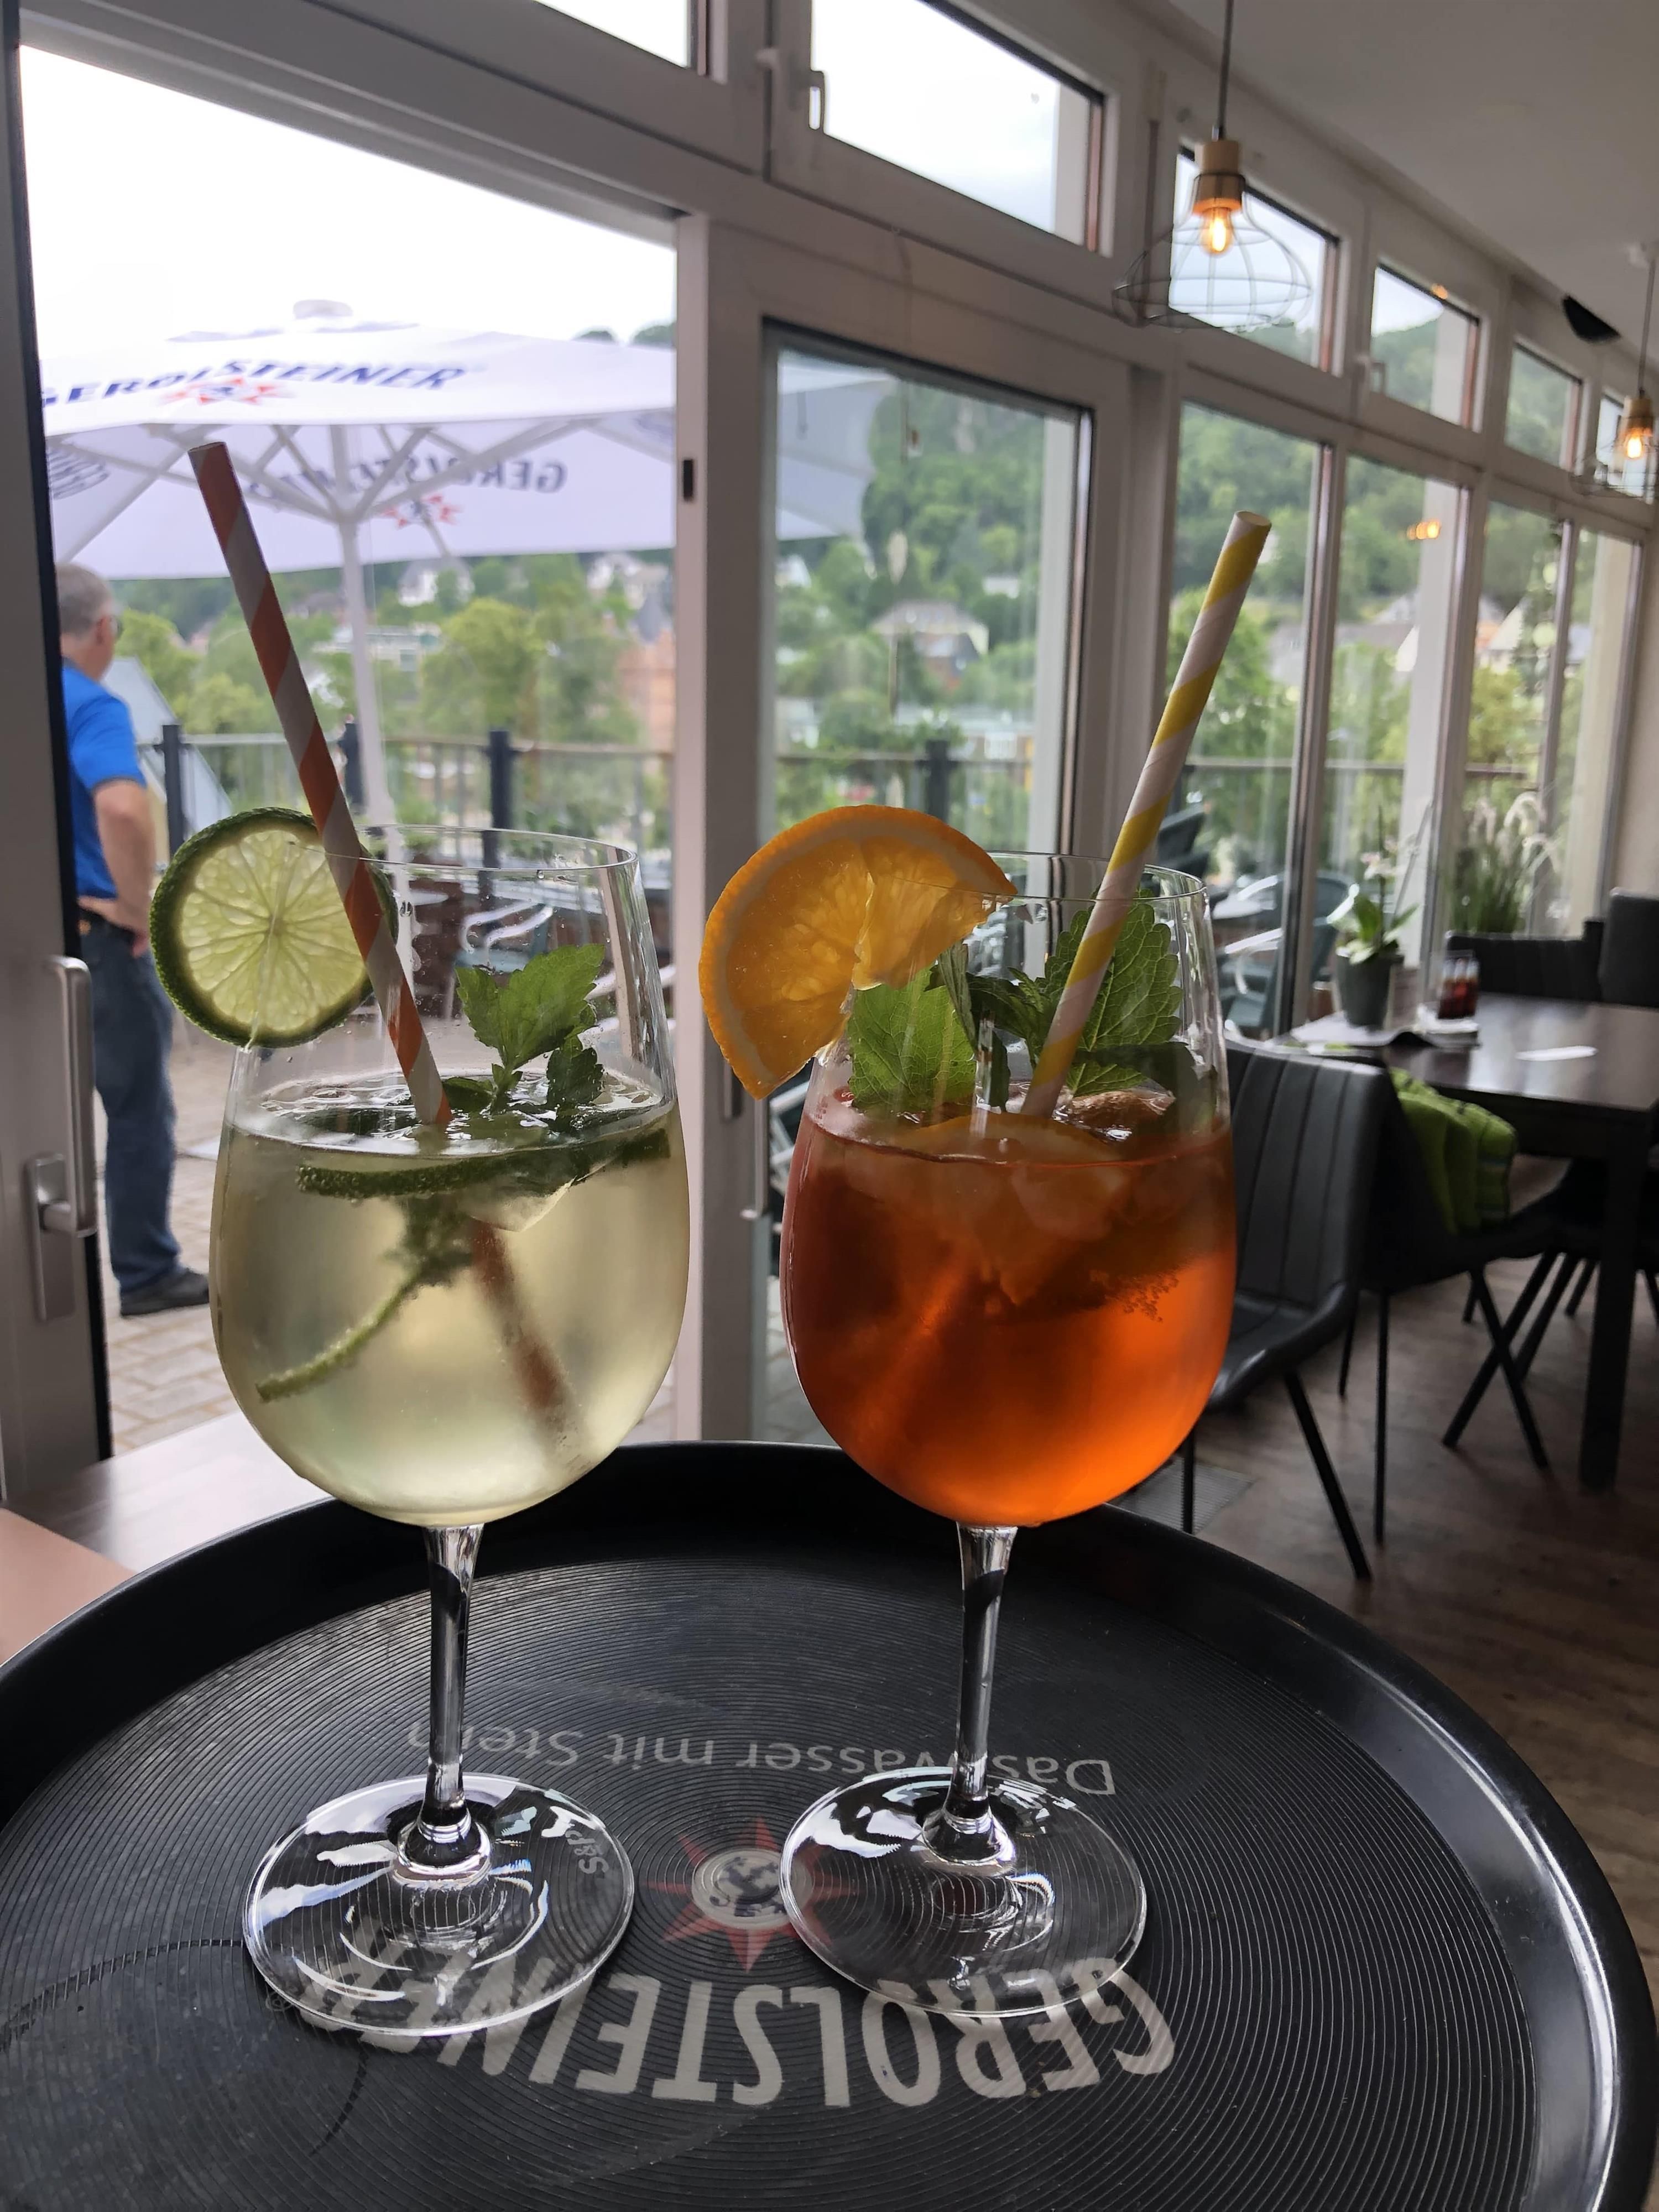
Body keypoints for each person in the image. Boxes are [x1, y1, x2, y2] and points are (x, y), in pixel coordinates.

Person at [56, 562, 208, 1317]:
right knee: (140, 1107)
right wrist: (137, 909)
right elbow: (121, 808)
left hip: (31, 942)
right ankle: (147, 1273)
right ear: (101, 628)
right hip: (95, 941)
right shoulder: (90, 704)